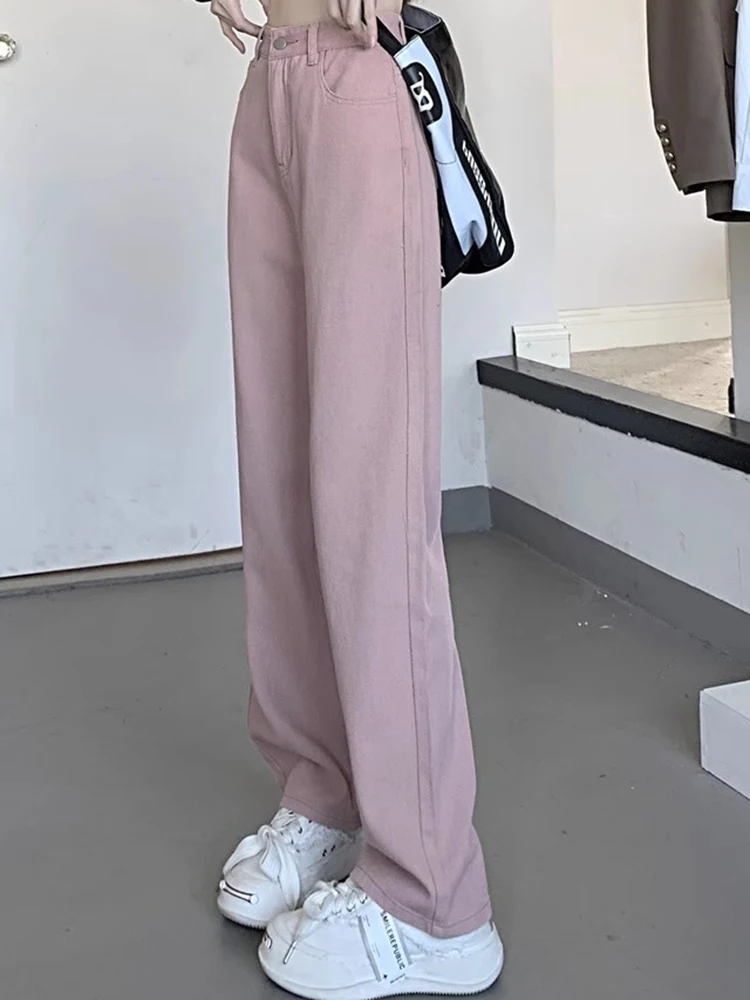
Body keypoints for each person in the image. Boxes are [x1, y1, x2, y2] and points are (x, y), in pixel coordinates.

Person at [208, 0, 504, 995]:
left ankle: (435, 899)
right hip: (273, 74)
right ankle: (324, 792)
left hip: (363, 73)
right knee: (283, 483)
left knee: (371, 500)